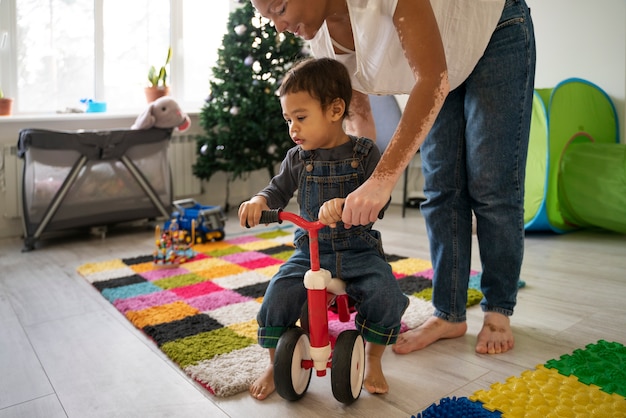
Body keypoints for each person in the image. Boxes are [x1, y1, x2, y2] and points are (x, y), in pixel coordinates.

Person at [250, 0, 536, 356]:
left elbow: (433, 79)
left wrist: (383, 179)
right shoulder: (320, 38)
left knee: (491, 185)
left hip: (493, 27)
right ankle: (449, 313)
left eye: (279, 8)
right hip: (441, 55)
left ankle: (498, 310)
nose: (278, 27)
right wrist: (357, 187)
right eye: (267, 17)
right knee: (441, 187)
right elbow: (357, 120)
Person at [239, 57, 409, 400]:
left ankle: (374, 358)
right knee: (277, 296)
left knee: (386, 293)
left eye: (301, 118)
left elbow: (382, 201)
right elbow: (277, 190)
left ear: (335, 110)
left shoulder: (365, 153)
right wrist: (260, 200)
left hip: (358, 249)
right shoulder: (297, 158)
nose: (293, 129)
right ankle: (276, 364)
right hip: (310, 252)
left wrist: (349, 205)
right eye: (288, 119)